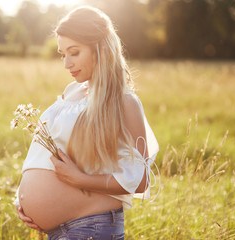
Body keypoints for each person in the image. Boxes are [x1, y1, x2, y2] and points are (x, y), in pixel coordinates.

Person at [15, 6, 159, 240]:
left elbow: (141, 179)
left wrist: (80, 180)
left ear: (100, 48)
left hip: (91, 227)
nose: (66, 63)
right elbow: (42, 158)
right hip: (60, 231)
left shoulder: (124, 101)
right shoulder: (71, 95)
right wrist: (22, 200)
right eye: (62, 54)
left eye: (74, 52)